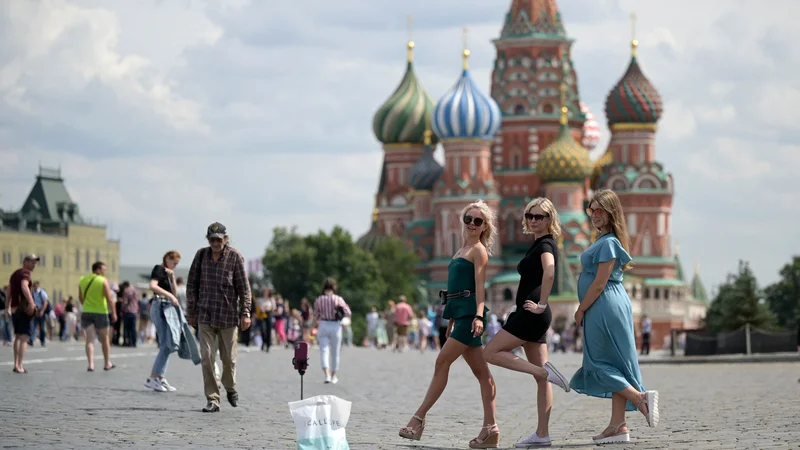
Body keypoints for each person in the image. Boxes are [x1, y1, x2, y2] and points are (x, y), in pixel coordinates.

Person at [399, 200, 500, 449]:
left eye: (478, 221)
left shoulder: (478, 250)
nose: (472, 224)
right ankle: (491, 429)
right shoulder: (460, 250)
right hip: (458, 314)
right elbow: (455, 288)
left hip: (470, 315)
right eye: (468, 219)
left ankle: (418, 419)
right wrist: (451, 319)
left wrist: (478, 316)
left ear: (485, 226)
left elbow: (479, 288)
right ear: (462, 221)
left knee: (442, 361)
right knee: (483, 375)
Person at [570, 189, 660, 444]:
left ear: (611, 213)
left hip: (602, 305)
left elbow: (599, 283)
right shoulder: (603, 240)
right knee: (615, 363)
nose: (594, 215)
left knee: (597, 363)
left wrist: (581, 309)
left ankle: (639, 398)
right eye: (591, 210)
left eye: (599, 211)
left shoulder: (608, 242)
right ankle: (618, 426)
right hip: (606, 304)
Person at [482, 197, 571, 447]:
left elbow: (551, 271)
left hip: (532, 313)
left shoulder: (545, 244)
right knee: (542, 382)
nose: (533, 220)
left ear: (550, 219)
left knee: (490, 351)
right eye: (530, 216)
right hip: (533, 313)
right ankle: (542, 434)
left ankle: (544, 371)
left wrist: (542, 302)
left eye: (539, 216)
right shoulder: (539, 243)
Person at [186, 222, 252, 413]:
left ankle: (230, 387)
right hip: (205, 315)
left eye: (219, 239)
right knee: (206, 358)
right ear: (208, 240)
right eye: (212, 239)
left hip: (228, 317)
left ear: (225, 238)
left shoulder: (235, 257)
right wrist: (191, 311)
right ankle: (213, 399)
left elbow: (244, 289)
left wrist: (245, 313)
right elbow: (192, 285)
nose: (215, 243)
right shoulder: (200, 256)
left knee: (229, 360)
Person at [144, 250, 185, 392]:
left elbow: (175, 293)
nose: (175, 266)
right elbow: (153, 286)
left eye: (177, 264)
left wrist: (172, 277)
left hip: (167, 307)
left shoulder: (169, 273)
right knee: (165, 343)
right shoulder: (159, 269)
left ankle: (160, 377)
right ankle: (154, 377)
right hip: (159, 305)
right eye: (174, 262)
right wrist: (171, 296)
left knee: (169, 343)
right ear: (167, 258)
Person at [79, 261, 117, 372]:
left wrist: (87, 306)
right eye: (103, 269)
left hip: (87, 311)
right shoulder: (102, 280)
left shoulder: (83, 280)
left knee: (89, 340)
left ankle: (91, 364)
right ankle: (106, 363)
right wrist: (114, 312)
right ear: (98, 269)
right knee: (104, 339)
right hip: (101, 312)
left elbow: (81, 297)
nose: (105, 272)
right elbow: (109, 298)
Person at [313, 278, 352, 384]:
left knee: (324, 350)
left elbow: (316, 315)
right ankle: (334, 375)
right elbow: (348, 312)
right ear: (334, 287)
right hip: (335, 325)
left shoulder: (319, 299)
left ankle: (327, 374)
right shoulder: (338, 299)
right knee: (335, 352)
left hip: (324, 324)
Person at [7, 254, 39, 373]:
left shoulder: (14, 274)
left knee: (17, 336)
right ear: (25, 262)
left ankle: (16, 363)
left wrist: (7, 307)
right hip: (23, 309)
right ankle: (19, 365)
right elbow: (24, 286)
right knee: (24, 337)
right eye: (32, 262)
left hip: (15, 308)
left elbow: (9, 291)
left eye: (35, 263)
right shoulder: (26, 273)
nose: (34, 265)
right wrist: (31, 303)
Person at [29, 281, 49, 347]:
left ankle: (42, 341)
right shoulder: (32, 293)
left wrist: (42, 311)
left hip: (41, 310)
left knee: (42, 327)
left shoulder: (42, 292)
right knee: (33, 326)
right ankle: (31, 340)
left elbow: (45, 302)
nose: (34, 288)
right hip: (34, 311)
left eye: (35, 286)